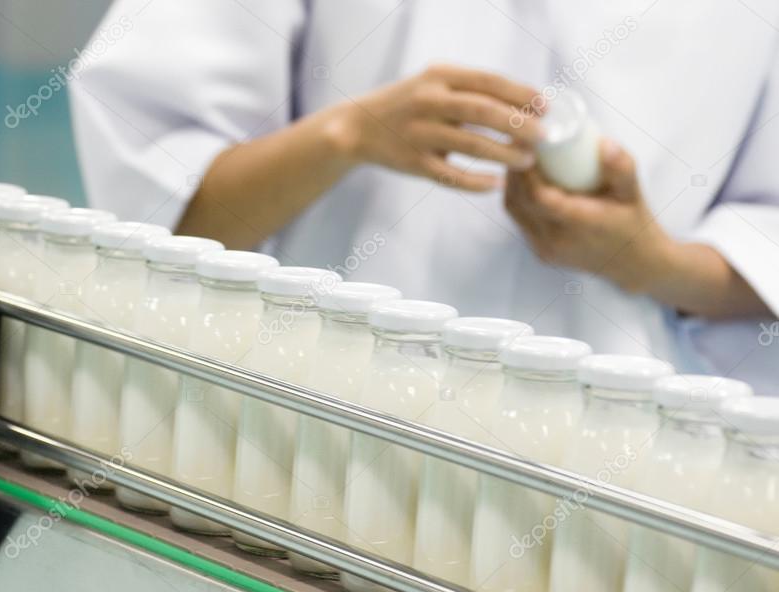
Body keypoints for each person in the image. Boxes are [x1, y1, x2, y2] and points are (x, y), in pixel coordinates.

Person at [69, 0, 779, 391]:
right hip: (322, 418)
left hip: (627, 462)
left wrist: (646, 259)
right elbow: (163, 210)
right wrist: (347, 134)